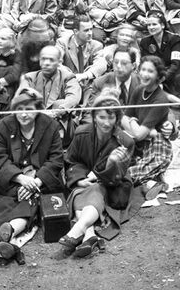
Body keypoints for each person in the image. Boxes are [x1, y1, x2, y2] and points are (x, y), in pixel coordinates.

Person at [0, 88, 64, 261]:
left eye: (29, 109)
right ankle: (8, 235)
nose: (23, 114)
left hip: (40, 181)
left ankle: (8, 233)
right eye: (19, 109)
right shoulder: (4, 125)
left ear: (37, 109)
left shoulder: (50, 126)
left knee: (33, 200)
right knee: (3, 202)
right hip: (12, 181)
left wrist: (35, 182)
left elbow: (56, 159)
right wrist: (20, 179)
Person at [60, 94, 135, 258]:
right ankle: (89, 236)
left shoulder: (125, 142)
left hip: (112, 185)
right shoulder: (81, 133)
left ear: (117, 118)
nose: (106, 123)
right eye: (101, 117)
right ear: (94, 117)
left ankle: (79, 228)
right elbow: (70, 161)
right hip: (84, 180)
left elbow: (117, 177)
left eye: (111, 117)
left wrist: (110, 165)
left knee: (95, 189)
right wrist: (79, 179)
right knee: (83, 190)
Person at [119, 56, 174, 198]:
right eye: (143, 69)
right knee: (117, 157)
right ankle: (151, 182)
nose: (144, 74)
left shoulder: (160, 99)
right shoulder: (138, 90)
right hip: (139, 141)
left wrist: (131, 120)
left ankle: (121, 180)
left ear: (158, 76)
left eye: (150, 71)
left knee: (143, 167)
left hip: (156, 143)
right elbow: (123, 119)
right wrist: (134, 123)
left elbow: (138, 133)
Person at [139, 10, 180, 87]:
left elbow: (176, 64)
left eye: (154, 24)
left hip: (172, 74)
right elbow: (145, 63)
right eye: (149, 25)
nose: (151, 27)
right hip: (154, 75)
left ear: (162, 25)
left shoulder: (174, 38)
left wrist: (163, 78)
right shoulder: (144, 42)